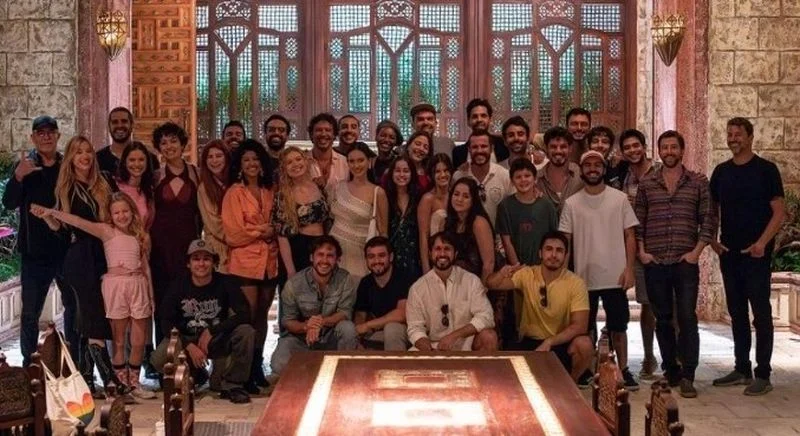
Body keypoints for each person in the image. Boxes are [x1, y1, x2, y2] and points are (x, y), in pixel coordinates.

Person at [32, 192, 156, 400]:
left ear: (132, 212)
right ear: (110, 215)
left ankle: (134, 383)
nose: (122, 216)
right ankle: (119, 384)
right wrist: (52, 212)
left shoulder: (140, 235)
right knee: (118, 339)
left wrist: (151, 295)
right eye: (117, 212)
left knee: (138, 340)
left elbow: (146, 268)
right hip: (115, 286)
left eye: (125, 211)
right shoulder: (106, 231)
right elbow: (78, 221)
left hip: (138, 284)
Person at [635, 130, 715, 398]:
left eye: (673, 147)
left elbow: (708, 220)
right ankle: (671, 371)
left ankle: (689, 374)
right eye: (664, 147)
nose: (669, 152)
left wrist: (696, 253)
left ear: (682, 150)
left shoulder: (698, 183)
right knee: (663, 319)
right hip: (655, 262)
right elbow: (639, 222)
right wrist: (642, 252)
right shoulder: (647, 184)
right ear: (659, 151)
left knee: (687, 317)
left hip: (685, 262)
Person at [710, 117, 785, 396]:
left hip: (756, 255)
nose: (733, 138)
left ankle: (763, 373)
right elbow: (712, 209)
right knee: (737, 313)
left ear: (750, 137)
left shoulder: (766, 170)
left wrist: (762, 243)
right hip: (730, 254)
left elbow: (779, 211)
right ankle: (742, 368)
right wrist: (713, 241)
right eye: (729, 134)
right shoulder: (721, 172)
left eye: (738, 134)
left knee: (761, 314)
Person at [559, 150, 639, 391]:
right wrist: (564, 276)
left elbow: (630, 235)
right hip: (583, 278)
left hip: (615, 275)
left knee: (619, 328)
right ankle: (588, 369)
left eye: (597, 165)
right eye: (588, 165)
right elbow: (565, 241)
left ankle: (623, 370)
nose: (592, 169)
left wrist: (630, 269)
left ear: (604, 169)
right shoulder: (572, 203)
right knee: (585, 329)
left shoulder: (619, 199)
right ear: (581, 170)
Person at [2, 115, 76, 367]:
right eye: (40, 133)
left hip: (65, 249)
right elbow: (9, 203)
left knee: (73, 307)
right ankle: (30, 365)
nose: (46, 137)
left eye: (50, 132)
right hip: (34, 252)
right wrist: (18, 177)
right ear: (33, 137)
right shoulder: (25, 166)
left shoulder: (67, 166)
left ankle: (74, 362)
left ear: (58, 136)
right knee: (30, 313)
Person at [51, 136, 119, 396]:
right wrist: (50, 220)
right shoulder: (66, 188)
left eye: (88, 151)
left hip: (106, 253)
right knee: (90, 315)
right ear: (71, 157)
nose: (85, 156)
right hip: (80, 256)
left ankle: (87, 379)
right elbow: (63, 230)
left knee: (89, 319)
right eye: (78, 152)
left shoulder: (104, 181)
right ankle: (109, 379)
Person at [152, 240, 255, 404]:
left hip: (216, 339)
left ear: (214, 263)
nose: (201, 263)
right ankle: (195, 374)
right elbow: (165, 321)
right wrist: (188, 345)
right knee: (159, 358)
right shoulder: (177, 285)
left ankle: (233, 384)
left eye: (206, 259)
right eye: (196, 259)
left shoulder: (226, 282)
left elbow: (245, 314)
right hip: (187, 339)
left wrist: (212, 331)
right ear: (188, 263)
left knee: (246, 332)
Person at [486, 232, 593, 381]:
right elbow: (492, 284)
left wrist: (550, 342)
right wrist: (502, 273)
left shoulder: (576, 283)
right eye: (549, 249)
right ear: (540, 253)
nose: (553, 255)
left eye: (559, 250)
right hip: (530, 341)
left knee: (584, 344)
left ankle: (571, 383)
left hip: (560, 342)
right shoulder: (527, 274)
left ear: (565, 255)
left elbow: (580, 326)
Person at [222, 139, 279, 390]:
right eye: (246, 160)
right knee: (248, 315)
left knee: (262, 316)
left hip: (269, 261)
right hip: (244, 263)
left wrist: (268, 230)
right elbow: (233, 234)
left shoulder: (270, 190)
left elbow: (279, 222)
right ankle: (242, 372)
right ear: (240, 165)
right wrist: (262, 231)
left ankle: (257, 365)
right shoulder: (234, 192)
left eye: (255, 159)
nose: (251, 164)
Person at [269, 236, 358, 377]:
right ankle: (306, 376)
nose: (324, 260)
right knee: (279, 364)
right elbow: (288, 321)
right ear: (311, 257)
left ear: (337, 259)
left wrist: (320, 322)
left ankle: (344, 375)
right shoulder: (294, 284)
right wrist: (307, 326)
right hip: (302, 339)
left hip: (330, 336)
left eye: (330, 256)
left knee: (348, 328)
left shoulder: (345, 279)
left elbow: (345, 313)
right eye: (320, 255)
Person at [149, 122, 201, 346]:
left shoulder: (196, 173)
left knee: (188, 301)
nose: (169, 146)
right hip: (159, 248)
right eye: (163, 142)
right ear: (158, 148)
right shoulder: (155, 176)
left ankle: (189, 354)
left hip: (188, 246)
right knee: (161, 301)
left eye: (173, 141)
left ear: (182, 144)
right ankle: (161, 355)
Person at [406, 232, 497, 351]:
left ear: (455, 254)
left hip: (465, 343)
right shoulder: (417, 288)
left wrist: (455, 336)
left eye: (447, 249)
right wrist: (429, 350)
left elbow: (486, 317)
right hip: (433, 345)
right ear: (430, 253)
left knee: (489, 336)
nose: (442, 254)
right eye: (438, 249)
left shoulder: (471, 281)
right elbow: (415, 328)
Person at [619, 128, 661, 380]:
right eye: (627, 147)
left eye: (636, 146)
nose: (632, 150)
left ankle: (676, 357)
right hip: (632, 244)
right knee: (646, 304)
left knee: (667, 303)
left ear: (644, 147)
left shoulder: (659, 172)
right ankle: (648, 356)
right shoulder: (623, 176)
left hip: (658, 244)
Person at [328, 143, 389, 278]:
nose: (356, 165)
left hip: (359, 255)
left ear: (369, 162)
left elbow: (383, 233)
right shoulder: (338, 187)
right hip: (333, 252)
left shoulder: (377, 192)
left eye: (360, 160)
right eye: (352, 161)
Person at [272, 146, 331, 277]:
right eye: (289, 162)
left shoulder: (318, 186)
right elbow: (282, 236)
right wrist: (290, 270)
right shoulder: (283, 196)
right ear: (284, 168)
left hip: (321, 246)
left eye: (298, 159)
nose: (295, 164)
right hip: (299, 249)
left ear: (305, 161)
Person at [497, 159, 558, 266]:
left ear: (535, 179)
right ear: (512, 181)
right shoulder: (505, 206)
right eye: (518, 177)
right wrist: (518, 268)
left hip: (544, 266)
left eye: (527, 176)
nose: (523, 180)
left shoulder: (547, 205)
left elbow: (554, 238)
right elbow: (506, 242)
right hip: (516, 268)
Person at [354, 237, 412, 351]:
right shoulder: (365, 282)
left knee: (392, 328)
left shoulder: (404, 278)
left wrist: (368, 325)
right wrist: (358, 335)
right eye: (371, 257)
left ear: (391, 257)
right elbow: (360, 315)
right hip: (376, 330)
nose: (376, 261)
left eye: (381, 255)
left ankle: (394, 364)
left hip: (405, 329)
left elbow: (401, 314)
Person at [452, 130, 514, 226]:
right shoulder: (458, 176)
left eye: (484, 146)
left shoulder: (505, 176)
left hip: (499, 234)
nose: (479, 151)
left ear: (492, 149)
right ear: (469, 150)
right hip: (466, 234)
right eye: (475, 147)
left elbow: (514, 208)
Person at [443, 178, 495, 281]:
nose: (459, 199)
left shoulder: (479, 223)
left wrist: (481, 289)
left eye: (466, 196)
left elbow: (489, 263)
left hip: (481, 281)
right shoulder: (448, 222)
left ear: (473, 200)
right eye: (456, 194)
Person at [385, 156, 422, 280]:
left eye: (406, 171)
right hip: (391, 262)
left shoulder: (419, 198)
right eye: (397, 170)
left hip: (415, 261)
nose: (401, 174)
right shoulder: (385, 197)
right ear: (392, 173)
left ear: (412, 174)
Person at [197, 140, 231, 271]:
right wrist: (238, 237)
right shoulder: (204, 188)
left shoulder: (235, 182)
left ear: (226, 157)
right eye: (210, 157)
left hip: (240, 246)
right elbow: (214, 224)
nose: (214, 160)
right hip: (219, 246)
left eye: (219, 156)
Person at [97, 107, 160, 176]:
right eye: (115, 122)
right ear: (109, 127)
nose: (119, 125)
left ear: (132, 125)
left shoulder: (150, 158)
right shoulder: (98, 159)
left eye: (124, 121)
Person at [417, 154, 453, 273]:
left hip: (454, 257)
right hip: (435, 257)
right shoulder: (427, 199)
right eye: (438, 171)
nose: (443, 175)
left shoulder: (455, 196)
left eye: (446, 170)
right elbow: (423, 236)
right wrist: (426, 269)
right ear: (432, 175)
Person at [536, 126, 584, 214]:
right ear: (546, 149)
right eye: (553, 147)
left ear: (570, 149)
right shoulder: (536, 179)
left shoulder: (581, 175)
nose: (558, 151)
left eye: (563, 147)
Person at [452, 99, 510, 168]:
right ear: (468, 121)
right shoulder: (458, 152)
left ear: (490, 120)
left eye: (483, 116)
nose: (479, 120)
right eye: (475, 116)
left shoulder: (503, 145)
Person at [115, 142, 156, 230]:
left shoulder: (149, 190)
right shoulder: (115, 187)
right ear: (124, 162)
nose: (137, 164)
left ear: (147, 162)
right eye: (132, 160)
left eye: (141, 160)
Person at [307, 113, 349, 189]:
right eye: (319, 130)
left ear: (334, 135)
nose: (323, 134)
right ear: (311, 135)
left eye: (328, 130)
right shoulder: (302, 162)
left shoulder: (345, 163)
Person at [587, 126, 627, 190]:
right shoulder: (583, 169)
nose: (600, 145)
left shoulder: (621, 167)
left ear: (610, 147)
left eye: (605, 142)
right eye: (595, 141)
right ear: (589, 146)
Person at [263, 114, 290, 184]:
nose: (276, 133)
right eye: (271, 130)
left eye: (281, 130)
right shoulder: (258, 161)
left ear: (287, 136)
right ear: (265, 134)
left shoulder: (294, 161)